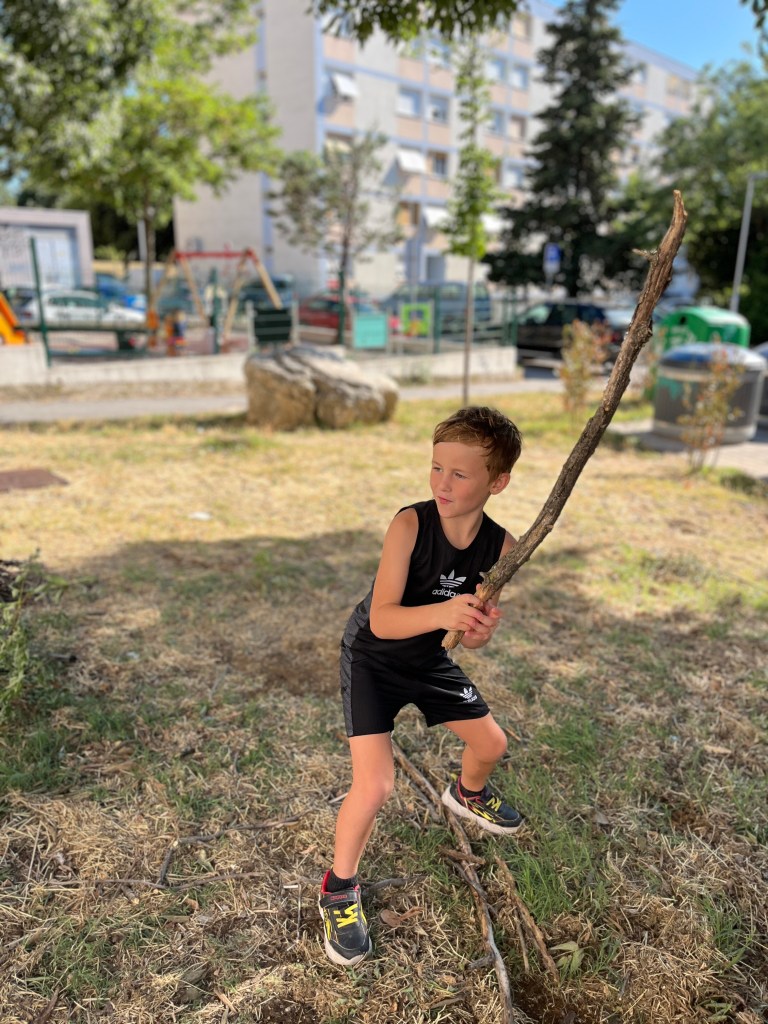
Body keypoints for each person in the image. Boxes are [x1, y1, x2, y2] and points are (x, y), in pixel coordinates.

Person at [319, 406, 525, 968]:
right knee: (376, 785)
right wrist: (444, 613)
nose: (442, 483)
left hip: (429, 660)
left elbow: (469, 636)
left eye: (459, 474)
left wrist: (476, 631)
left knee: (492, 744)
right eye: (436, 468)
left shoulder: (503, 549)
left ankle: (467, 794)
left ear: (497, 482)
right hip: (373, 660)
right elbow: (383, 619)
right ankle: (338, 889)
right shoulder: (409, 525)